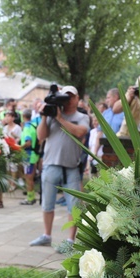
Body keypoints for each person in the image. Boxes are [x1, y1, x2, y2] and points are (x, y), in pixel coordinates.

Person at [29, 85, 90, 249]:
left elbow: (79, 132)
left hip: (71, 167)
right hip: (50, 165)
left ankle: (70, 241)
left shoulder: (82, 117)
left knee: (74, 206)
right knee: (47, 204)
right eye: (65, 96)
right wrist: (44, 116)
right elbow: (41, 136)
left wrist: (60, 119)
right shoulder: (51, 114)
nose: (68, 99)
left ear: (77, 98)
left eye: (71, 96)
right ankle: (46, 235)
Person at [19, 109, 39, 206]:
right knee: (30, 177)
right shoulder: (33, 126)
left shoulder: (27, 127)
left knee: (28, 178)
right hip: (33, 154)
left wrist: (18, 148)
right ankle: (32, 196)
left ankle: (30, 198)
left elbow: (28, 142)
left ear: (23, 117)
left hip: (28, 155)